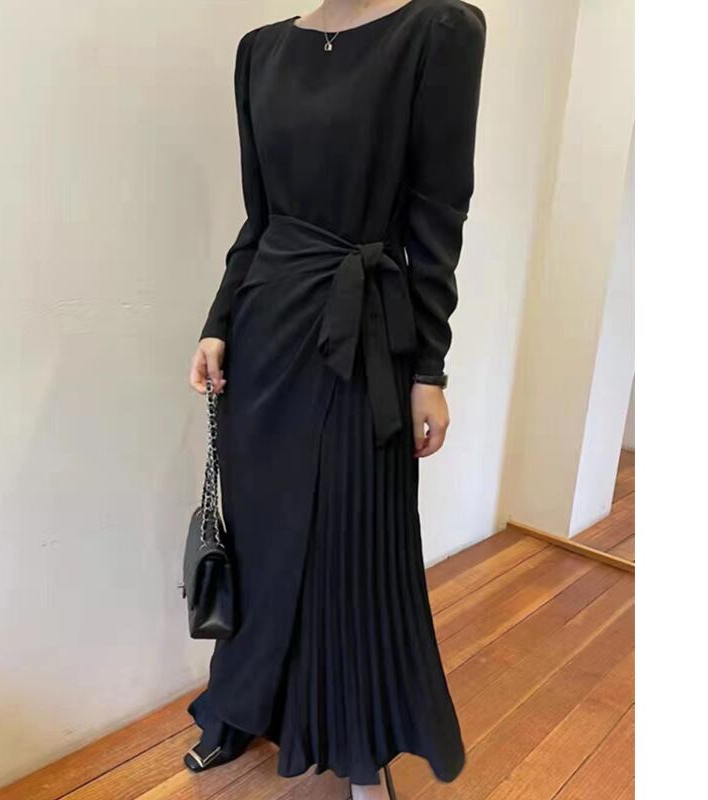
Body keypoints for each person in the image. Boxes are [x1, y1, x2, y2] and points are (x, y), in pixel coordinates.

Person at [187, 1, 485, 797]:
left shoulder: (439, 31)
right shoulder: (259, 52)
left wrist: (430, 368)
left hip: (366, 339)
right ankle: (239, 707)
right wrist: (218, 323)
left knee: (356, 548)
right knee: (262, 543)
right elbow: (259, 219)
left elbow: (438, 219)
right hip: (265, 332)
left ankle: (361, 746)